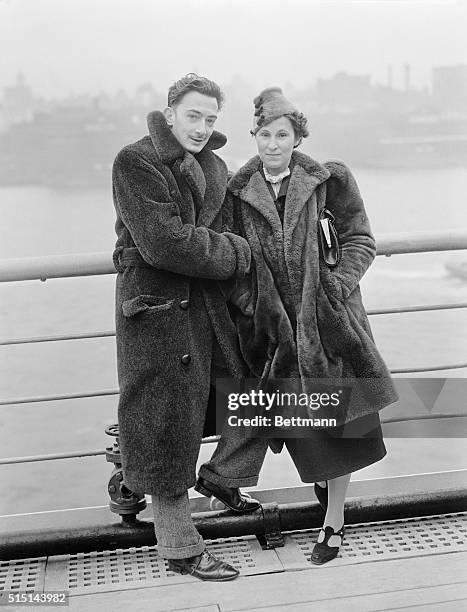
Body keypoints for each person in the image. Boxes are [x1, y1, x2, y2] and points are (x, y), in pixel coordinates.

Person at [225, 87, 398, 565]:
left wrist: (336, 288)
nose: (273, 143)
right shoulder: (237, 192)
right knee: (308, 432)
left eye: (283, 134)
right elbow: (231, 261)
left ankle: (334, 522)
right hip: (275, 337)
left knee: (344, 429)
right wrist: (251, 303)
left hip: (331, 329)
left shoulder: (328, 180)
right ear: (254, 135)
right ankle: (324, 487)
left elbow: (361, 238)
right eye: (265, 133)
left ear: (297, 137)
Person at [111, 74, 267, 581]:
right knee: (167, 420)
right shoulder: (135, 161)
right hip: (157, 313)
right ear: (171, 111)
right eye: (194, 116)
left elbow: (211, 234)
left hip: (207, 306)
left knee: (255, 393)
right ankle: (180, 548)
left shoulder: (216, 167)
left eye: (211, 119)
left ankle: (215, 478)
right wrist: (239, 254)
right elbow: (164, 243)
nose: (202, 128)